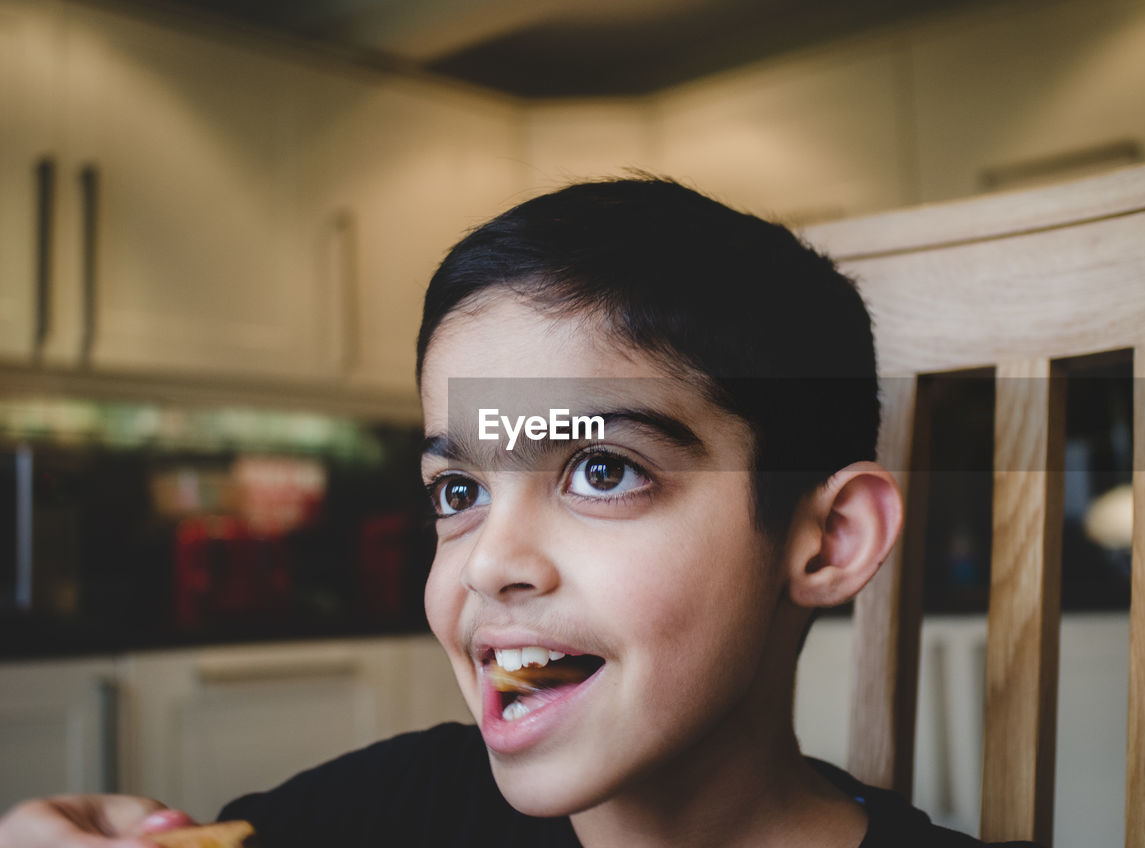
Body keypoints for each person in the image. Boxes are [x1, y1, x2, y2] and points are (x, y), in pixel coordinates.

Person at [0, 178, 1039, 847]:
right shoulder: (395, 811)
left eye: (599, 470)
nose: (490, 560)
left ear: (829, 539)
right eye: (458, 492)